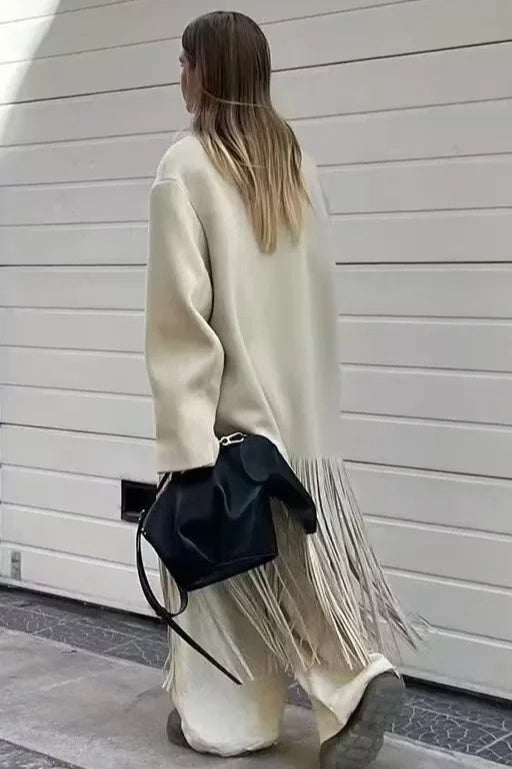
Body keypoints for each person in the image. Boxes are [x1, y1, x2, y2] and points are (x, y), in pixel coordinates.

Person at [144, 11, 419, 767]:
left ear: (206, 71)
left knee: (218, 581)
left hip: (232, 426)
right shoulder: (295, 162)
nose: (179, 77)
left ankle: (237, 720)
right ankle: (355, 679)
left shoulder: (186, 165)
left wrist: (185, 441)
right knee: (296, 569)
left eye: (184, 63)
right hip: (304, 428)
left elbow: (180, 320)